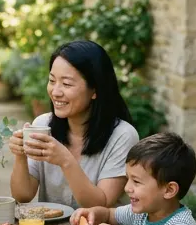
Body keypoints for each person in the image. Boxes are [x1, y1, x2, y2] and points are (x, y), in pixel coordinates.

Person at [9, 40, 139, 208]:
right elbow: (23, 196)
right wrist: (20, 156)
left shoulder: (123, 136)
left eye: (67, 84)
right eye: (52, 80)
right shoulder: (42, 125)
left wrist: (65, 160)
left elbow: (101, 204)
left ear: (95, 90)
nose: (55, 92)